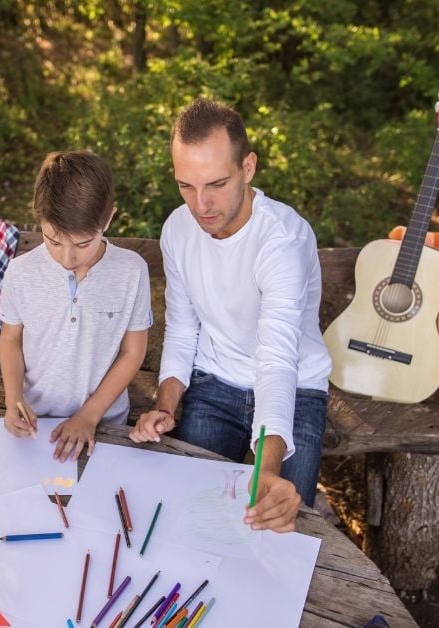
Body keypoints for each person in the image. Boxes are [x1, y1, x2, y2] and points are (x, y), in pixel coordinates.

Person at [129, 99, 332, 533]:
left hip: (295, 386)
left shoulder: (283, 240)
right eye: (186, 186)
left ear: (249, 167)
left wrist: (266, 471)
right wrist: (166, 405)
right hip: (215, 382)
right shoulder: (177, 229)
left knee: (279, 527)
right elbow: (182, 328)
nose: (201, 205)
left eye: (216, 183)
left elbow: (277, 359)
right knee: (185, 518)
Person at [0, 150, 153, 462]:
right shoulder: (20, 271)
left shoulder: (131, 271)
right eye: (53, 241)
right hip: (37, 425)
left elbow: (133, 352)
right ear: (39, 219)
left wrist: (89, 416)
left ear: (107, 218)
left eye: (82, 244)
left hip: (105, 424)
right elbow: (11, 338)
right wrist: (13, 399)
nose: (67, 258)